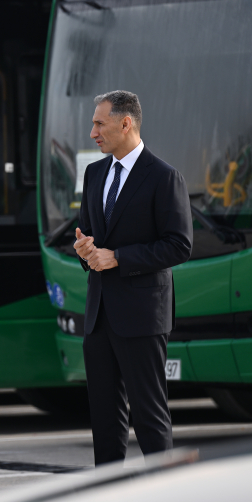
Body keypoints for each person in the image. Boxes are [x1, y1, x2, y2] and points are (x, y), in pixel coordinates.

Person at [72, 90, 192, 465]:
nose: (92, 132)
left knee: (149, 416)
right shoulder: (94, 174)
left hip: (142, 316)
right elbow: (89, 237)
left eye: (99, 123)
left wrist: (118, 258)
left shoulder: (163, 177)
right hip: (99, 316)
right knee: (105, 419)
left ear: (126, 124)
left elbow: (179, 245)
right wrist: (86, 253)